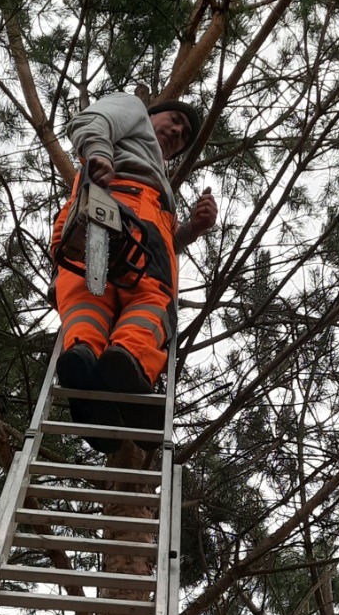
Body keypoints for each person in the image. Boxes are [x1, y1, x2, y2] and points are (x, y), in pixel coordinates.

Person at [50, 90, 218, 441]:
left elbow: (167, 240)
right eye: (174, 120)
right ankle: (129, 360)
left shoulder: (157, 176)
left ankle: (84, 360)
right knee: (151, 304)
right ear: (152, 114)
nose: (177, 131)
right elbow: (89, 121)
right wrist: (97, 153)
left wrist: (191, 230)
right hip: (132, 222)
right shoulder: (133, 109)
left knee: (86, 299)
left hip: (93, 225)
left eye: (185, 133)